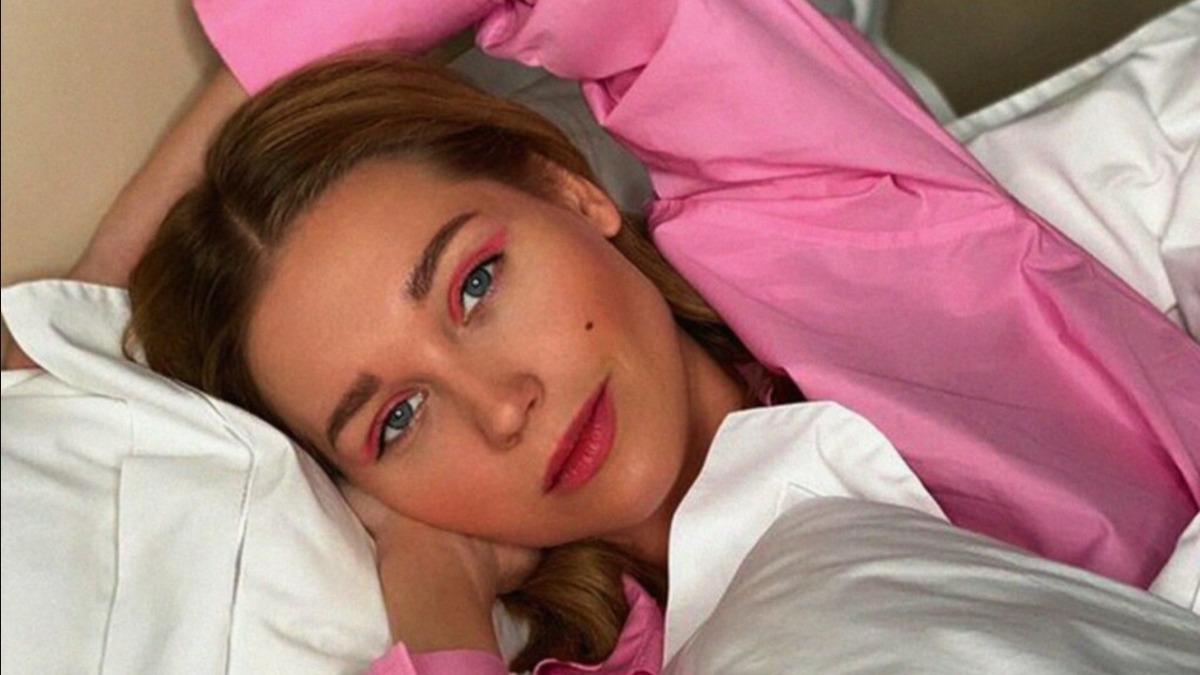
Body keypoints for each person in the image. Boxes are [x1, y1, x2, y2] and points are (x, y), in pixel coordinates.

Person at [17, 0, 1200, 672]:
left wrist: (137, 236)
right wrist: (433, 604)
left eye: (475, 285)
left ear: (571, 191)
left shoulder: (836, 231)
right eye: (398, 418)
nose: (502, 407)